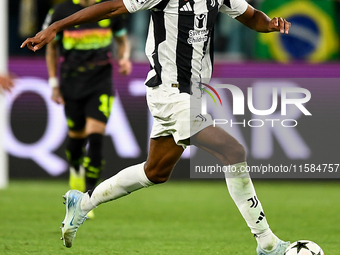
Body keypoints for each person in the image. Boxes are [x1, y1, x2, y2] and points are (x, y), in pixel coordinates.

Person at [21, 0, 291, 254]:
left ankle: (82, 204)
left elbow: (252, 17)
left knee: (156, 171)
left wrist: (269, 23)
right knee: (233, 152)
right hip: (170, 92)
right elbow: (113, 7)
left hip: (193, 94)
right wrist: (56, 26)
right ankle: (267, 243)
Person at [43, 0, 132, 218]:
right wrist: (54, 84)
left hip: (100, 82)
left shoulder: (109, 9)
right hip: (72, 81)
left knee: (96, 137)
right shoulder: (61, 11)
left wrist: (124, 58)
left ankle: (87, 198)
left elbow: (122, 40)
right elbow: (51, 48)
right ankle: (75, 170)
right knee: (76, 140)